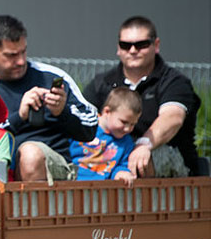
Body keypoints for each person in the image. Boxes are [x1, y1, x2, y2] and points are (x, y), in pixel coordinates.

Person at [0, 15, 98, 183]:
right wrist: (18, 118)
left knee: (30, 155)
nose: (21, 61)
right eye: (11, 55)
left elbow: (91, 128)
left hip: (52, 169)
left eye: (23, 52)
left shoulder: (52, 77)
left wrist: (62, 112)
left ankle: (30, 209)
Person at [83, 16, 200, 177]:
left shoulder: (174, 82)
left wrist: (144, 144)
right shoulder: (102, 83)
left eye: (141, 45)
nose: (132, 50)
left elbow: (172, 118)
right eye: (126, 45)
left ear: (156, 45)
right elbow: (81, 118)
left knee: (140, 160)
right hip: (113, 150)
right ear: (118, 48)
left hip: (162, 153)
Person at [70, 88, 142, 187]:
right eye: (124, 122)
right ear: (107, 112)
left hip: (103, 190)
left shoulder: (126, 142)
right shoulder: (84, 127)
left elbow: (122, 164)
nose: (127, 129)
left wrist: (120, 173)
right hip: (73, 184)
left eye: (133, 124)